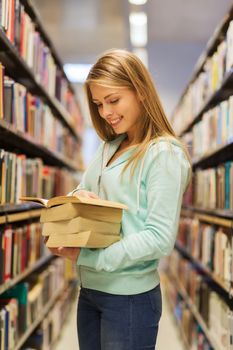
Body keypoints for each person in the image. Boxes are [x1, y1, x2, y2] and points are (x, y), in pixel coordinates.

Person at [52, 49, 191, 350]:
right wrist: (79, 197)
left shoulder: (164, 154)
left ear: (141, 91)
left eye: (113, 100)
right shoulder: (109, 147)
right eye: (99, 104)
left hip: (129, 298)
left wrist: (91, 258)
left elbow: (158, 238)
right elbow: (81, 189)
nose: (106, 113)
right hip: (90, 290)